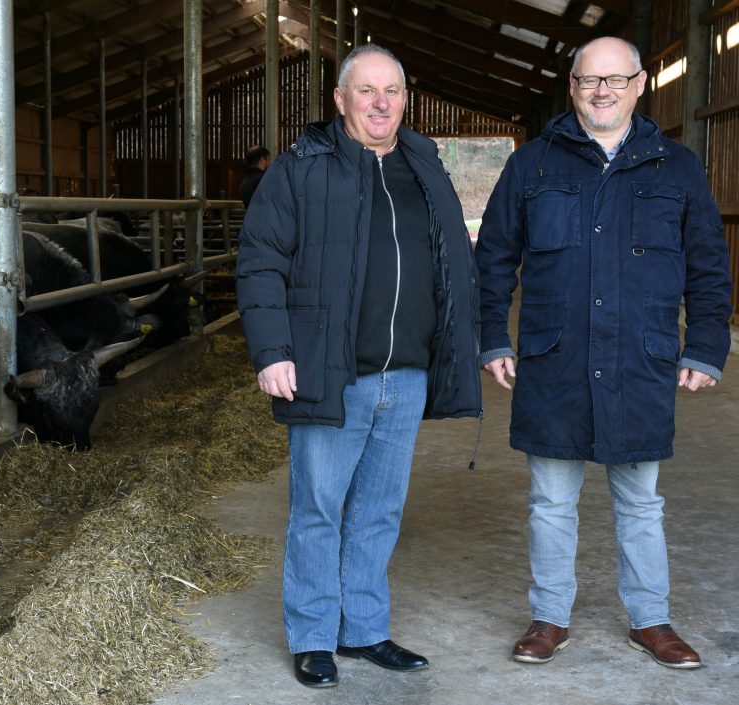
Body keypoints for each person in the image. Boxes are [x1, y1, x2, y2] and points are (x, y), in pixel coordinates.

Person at [475, 36, 733, 669]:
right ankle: (549, 617)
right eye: (591, 80)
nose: (603, 91)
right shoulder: (532, 165)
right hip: (554, 355)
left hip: (638, 358)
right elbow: (493, 261)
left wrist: (704, 344)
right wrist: (489, 336)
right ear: (572, 86)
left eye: (616, 80)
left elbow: (708, 264)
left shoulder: (677, 167)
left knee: (641, 501)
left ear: (640, 84)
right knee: (551, 501)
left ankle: (651, 620)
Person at [235, 44, 481, 688]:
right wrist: (272, 351)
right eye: (366, 90)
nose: (380, 102)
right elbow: (261, 260)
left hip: (406, 372)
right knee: (318, 505)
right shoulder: (300, 170)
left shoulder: (425, 166)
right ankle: (313, 634)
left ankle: (365, 628)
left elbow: (453, 263)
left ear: (406, 98)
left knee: (379, 508)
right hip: (327, 368)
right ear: (340, 99)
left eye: (392, 90)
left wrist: (459, 344)